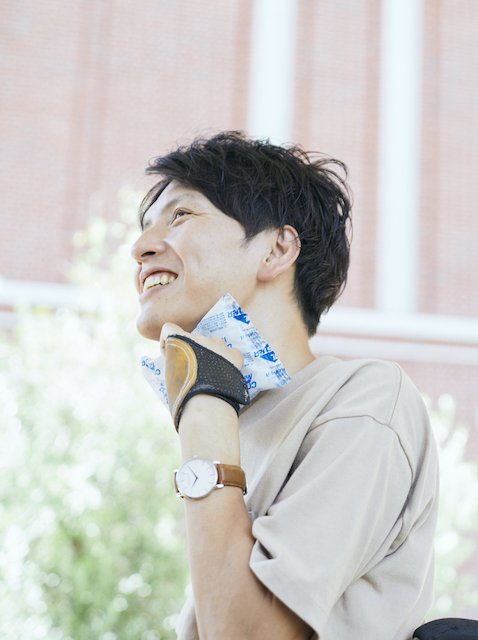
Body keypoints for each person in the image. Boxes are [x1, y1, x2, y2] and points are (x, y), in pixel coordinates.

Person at [130, 132, 439, 640]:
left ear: (277, 249)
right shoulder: (235, 417)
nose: (141, 248)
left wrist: (204, 403)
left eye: (180, 215)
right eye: (146, 228)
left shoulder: (366, 399)